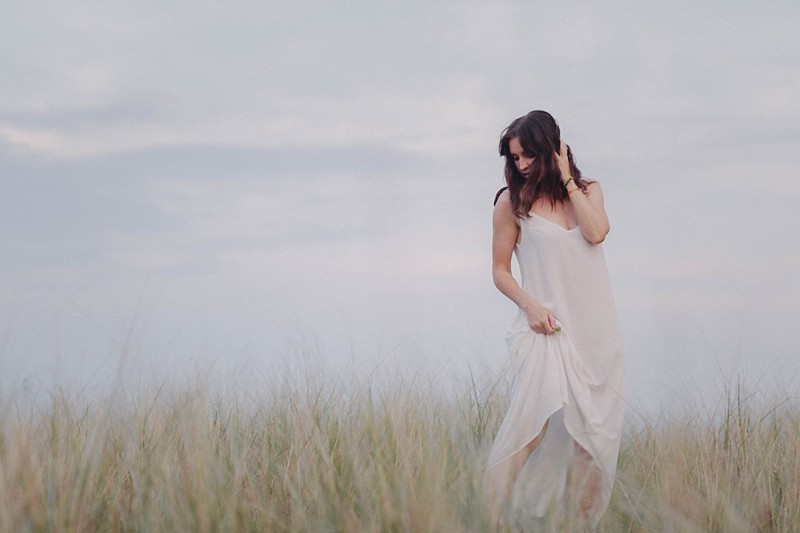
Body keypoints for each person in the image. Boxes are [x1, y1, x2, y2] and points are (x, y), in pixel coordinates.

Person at [484, 110, 625, 529]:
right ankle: (484, 520)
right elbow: (500, 271)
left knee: (592, 447)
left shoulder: (588, 191)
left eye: (529, 154)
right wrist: (530, 306)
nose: (522, 164)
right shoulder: (511, 203)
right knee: (528, 430)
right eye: (514, 157)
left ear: (553, 149)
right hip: (545, 332)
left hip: (597, 336)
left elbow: (596, 232)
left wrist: (567, 179)